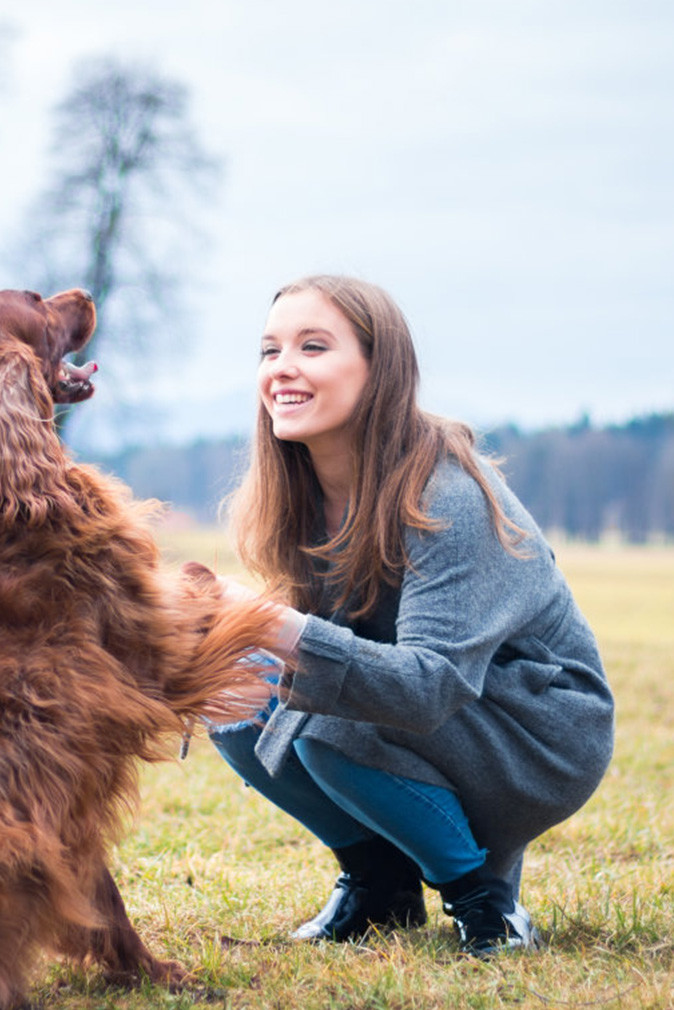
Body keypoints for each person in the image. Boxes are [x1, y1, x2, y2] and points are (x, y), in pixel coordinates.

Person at [207, 275, 614, 957]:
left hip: (537, 728)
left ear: (380, 368)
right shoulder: (303, 495)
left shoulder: (448, 495)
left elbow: (430, 686)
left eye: (313, 347)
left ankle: (486, 902)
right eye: (269, 351)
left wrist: (270, 623)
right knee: (227, 680)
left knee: (325, 715)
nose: (283, 369)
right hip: (440, 711)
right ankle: (379, 886)